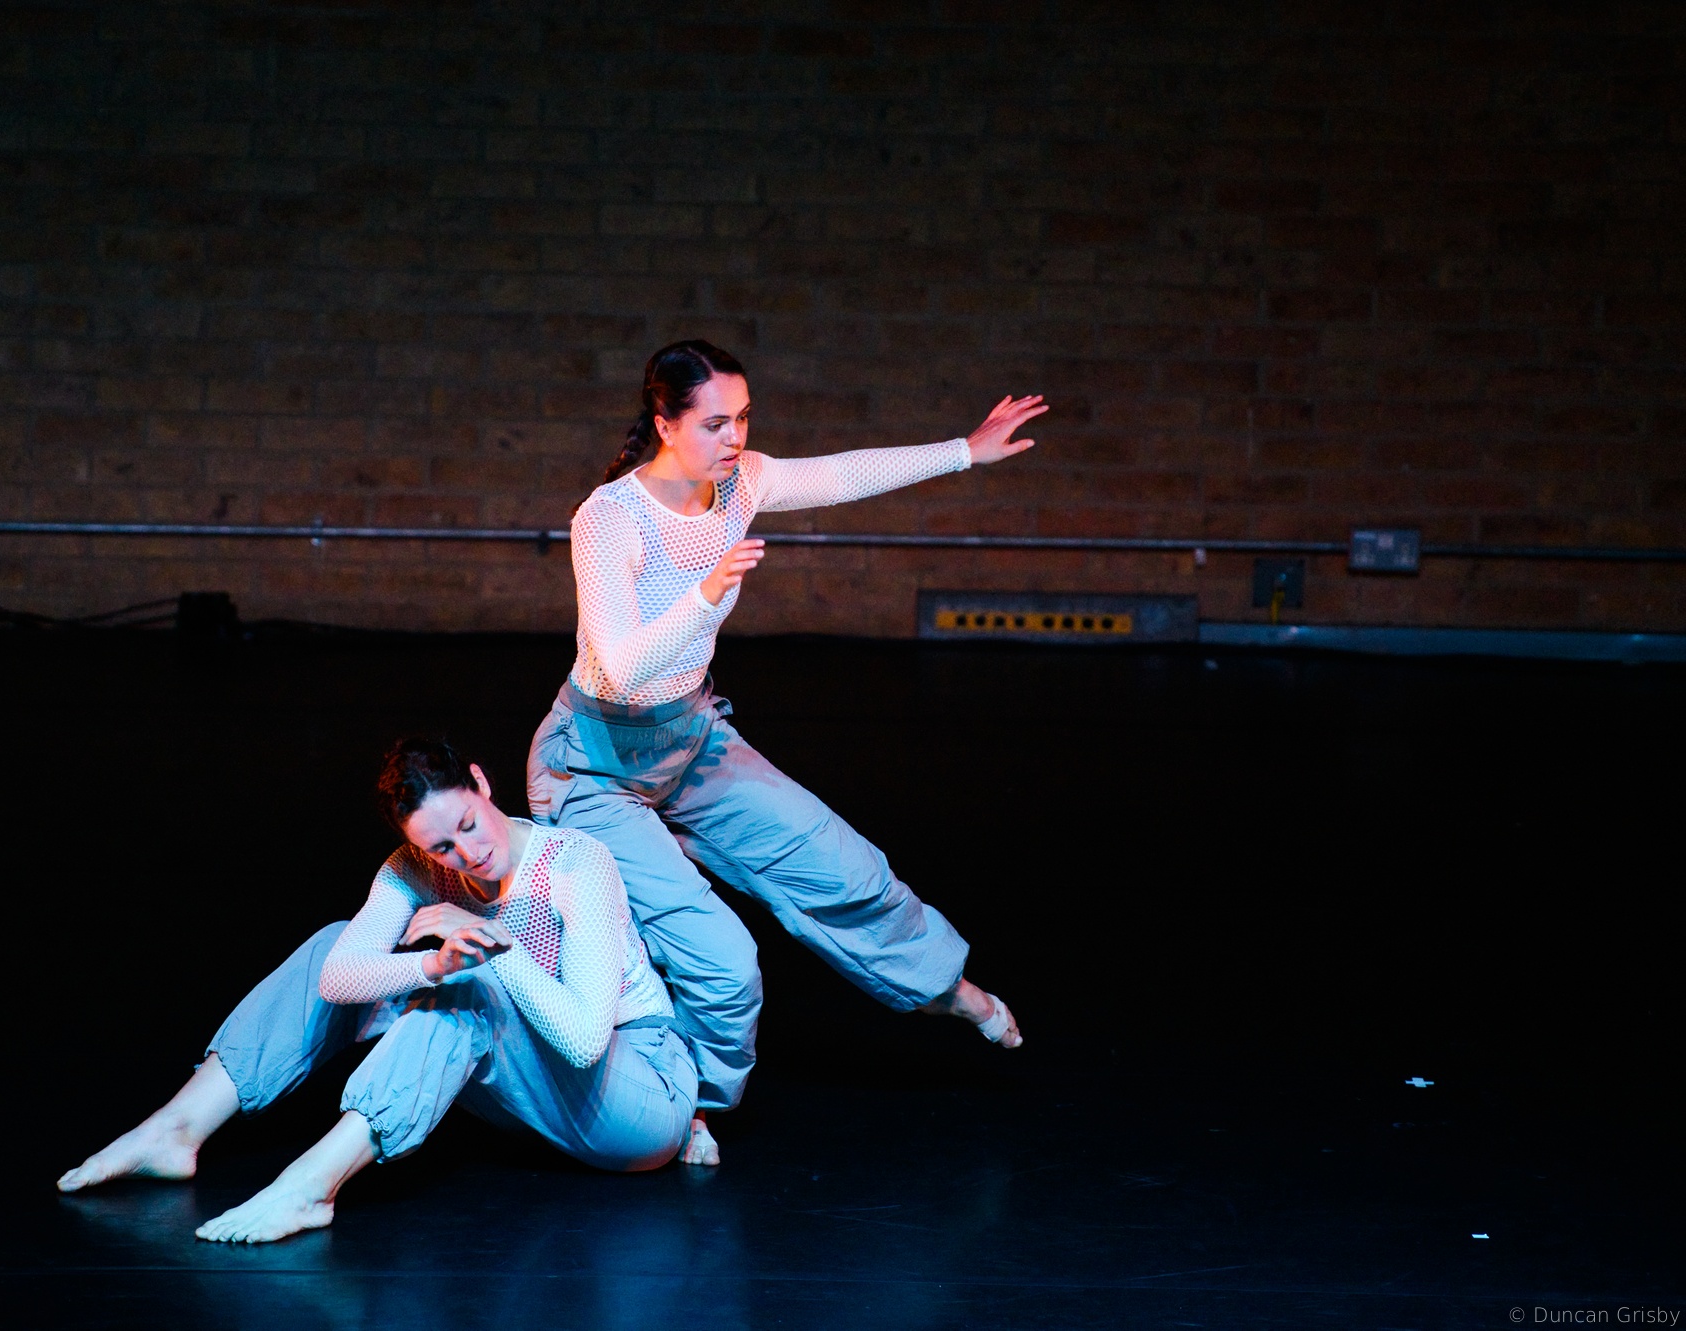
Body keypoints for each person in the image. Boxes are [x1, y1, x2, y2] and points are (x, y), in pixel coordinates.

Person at [529, 340, 1046, 1165]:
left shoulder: (742, 482)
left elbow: (840, 474)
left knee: (842, 865)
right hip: (594, 765)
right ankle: (687, 1100)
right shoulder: (609, 518)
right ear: (665, 422)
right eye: (714, 423)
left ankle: (944, 987)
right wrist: (705, 594)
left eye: (743, 419)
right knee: (722, 958)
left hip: (689, 738)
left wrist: (965, 451)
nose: (734, 438)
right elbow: (617, 668)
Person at [57, 738, 696, 1244]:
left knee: (471, 985)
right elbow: (337, 979)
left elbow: (583, 1041)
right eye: (440, 847)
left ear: (481, 783)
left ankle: (309, 1187)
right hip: (531, 1098)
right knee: (335, 944)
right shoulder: (413, 868)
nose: (467, 853)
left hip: (636, 1094)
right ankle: (177, 1129)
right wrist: (432, 966)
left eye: (469, 824)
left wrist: (484, 946)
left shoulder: (574, 863)